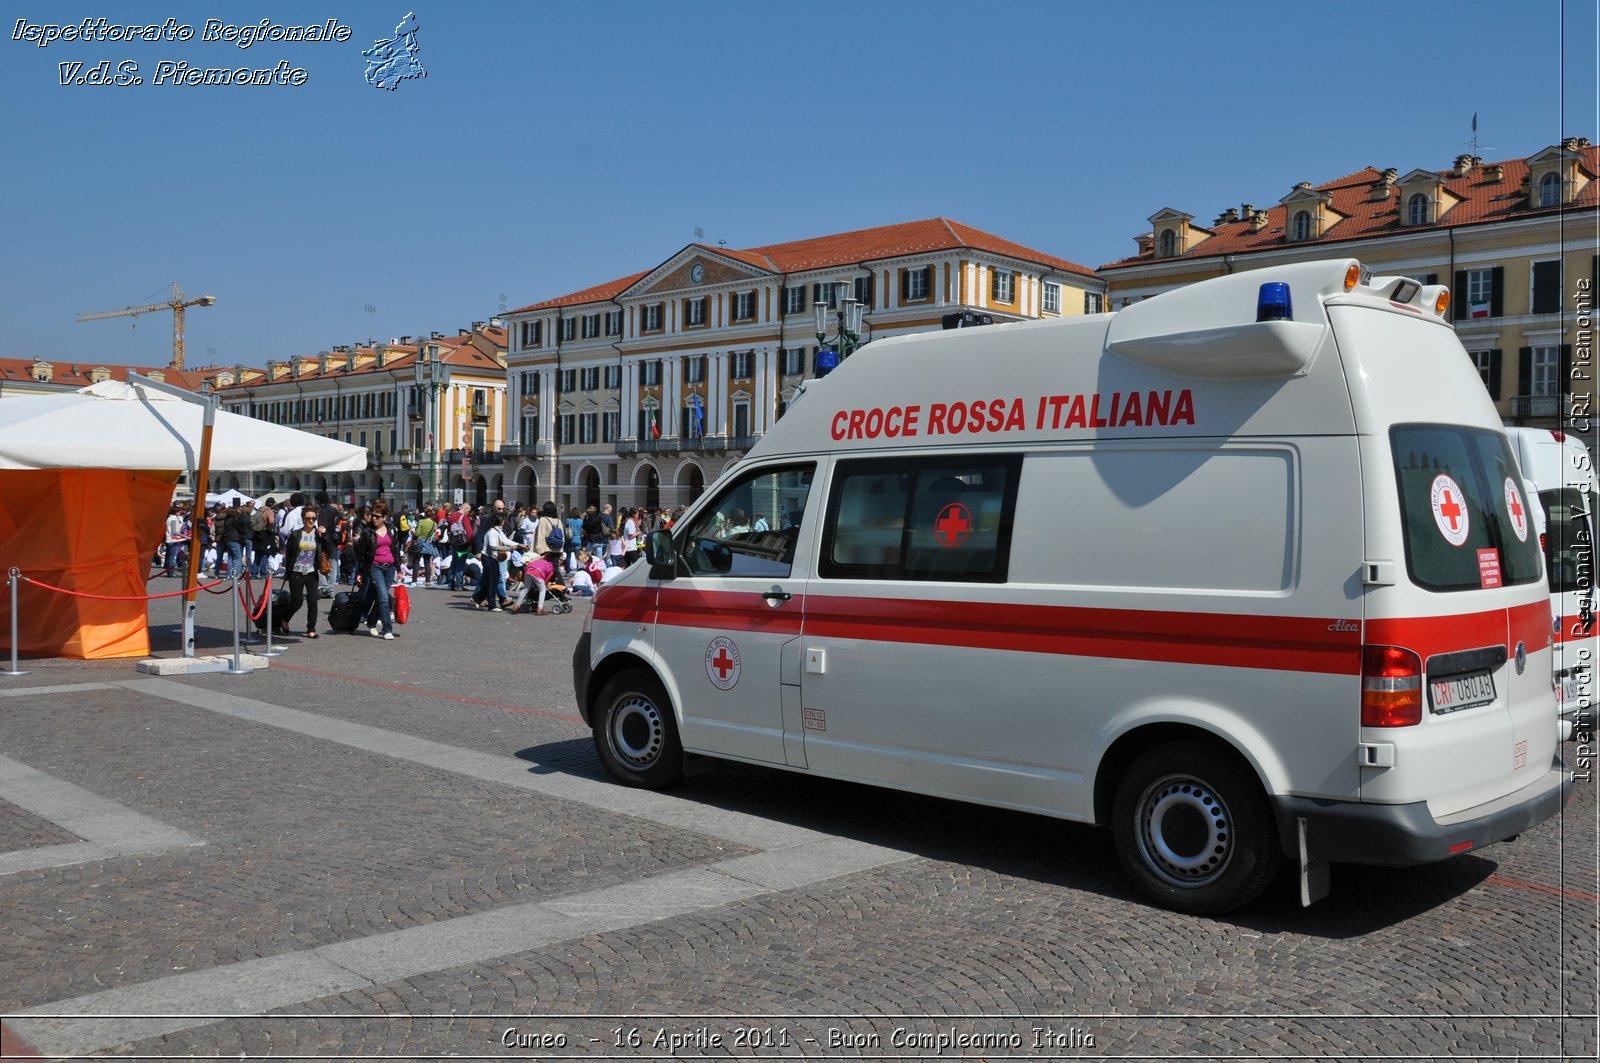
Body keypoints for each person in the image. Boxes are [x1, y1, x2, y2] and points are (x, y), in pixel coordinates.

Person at [279, 506, 328, 638]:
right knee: (297, 602)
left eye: (313, 518)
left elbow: (329, 546)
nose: (310, 521)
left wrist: (325, 535)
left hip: (312, 572)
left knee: (313, 600)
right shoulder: (295, 534)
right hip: (296, 572)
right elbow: (289, 554)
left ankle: (311, 629)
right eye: (308, 518)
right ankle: (285, 619)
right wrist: (287, 572)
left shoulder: (318, 534)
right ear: (303, 519)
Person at [353, 500, 399, 639]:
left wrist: (398, 567)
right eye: (372, 515)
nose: (373, 518)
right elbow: (362, 555)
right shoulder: (368, 532)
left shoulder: (391, 529)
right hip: (375, 567)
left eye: (377, 516)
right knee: (384, 598)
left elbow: (395, 549)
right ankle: (387, 629)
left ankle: (371, 622)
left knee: (380, 597)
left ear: (385, 517)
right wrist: (360, 572)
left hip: (389, 567)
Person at [471, 511, 521, 611]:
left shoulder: (498, 531)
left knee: (489, 580)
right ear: (500, 521)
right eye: (503, 519)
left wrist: (519, 545)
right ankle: (492, 605)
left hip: (493, 558)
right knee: (492, 582)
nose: (504, 521)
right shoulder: (492, 532)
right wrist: (508, 549)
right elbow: (493, 546)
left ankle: (477, 598)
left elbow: (506, 541)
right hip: (488, 558)